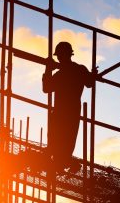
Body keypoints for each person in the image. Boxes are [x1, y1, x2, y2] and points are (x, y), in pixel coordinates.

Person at [42, 41, 94, 171]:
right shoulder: (78, 70)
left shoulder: (63, 73)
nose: (59, 58)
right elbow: (89, 83)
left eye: (60, 56)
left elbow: (46, 88)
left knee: (61, 139)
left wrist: (48, 69)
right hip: (69, 111)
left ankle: (60, 162)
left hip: (63, 112)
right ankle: (61, 161)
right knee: (63, 139)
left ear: (65, 55)